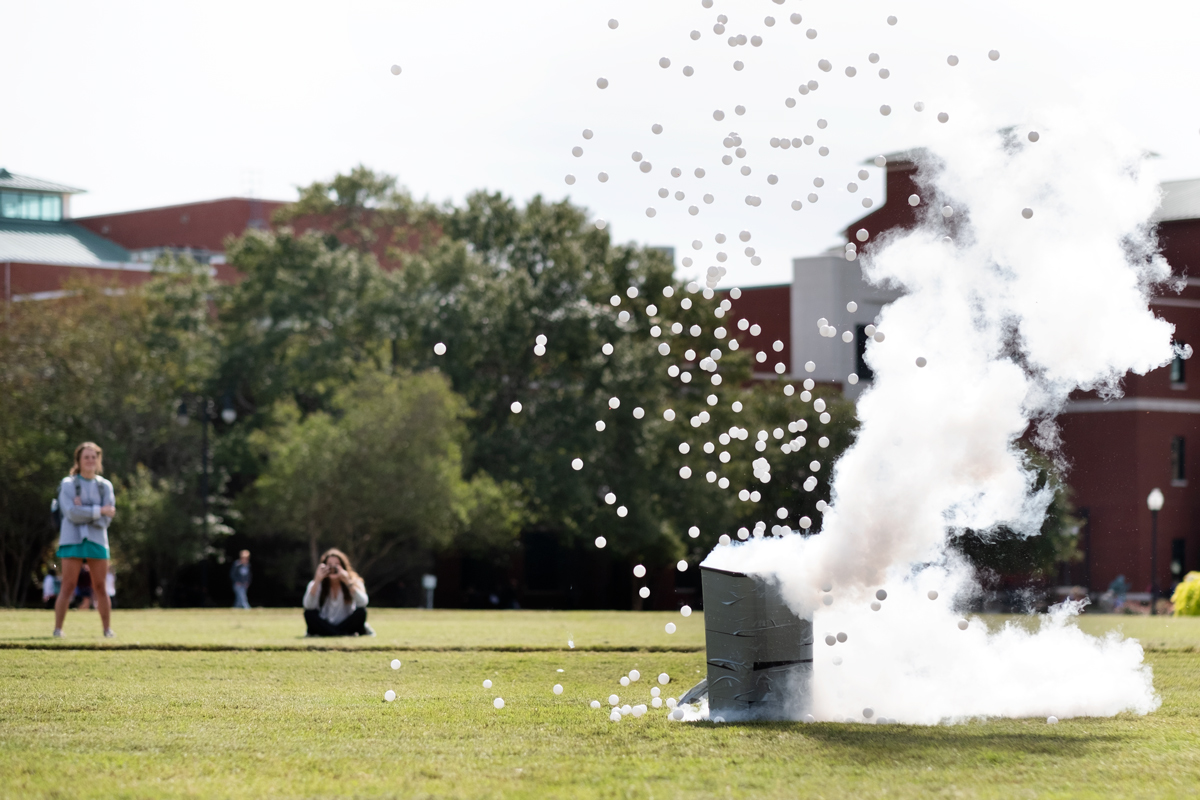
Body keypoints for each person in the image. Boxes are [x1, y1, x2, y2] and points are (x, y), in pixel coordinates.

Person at [53, 442, 116, 638]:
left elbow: (108, 517)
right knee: (68, 585)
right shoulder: (68, 484)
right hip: (72, 539)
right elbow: (71, 513)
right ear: (79, 461)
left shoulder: (105, 485)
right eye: (86, 457)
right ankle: (58, 629)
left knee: (100, 586)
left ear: (98, 460)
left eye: (93, 457)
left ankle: (107, 630)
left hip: (97, 539)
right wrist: (98, 509)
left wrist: (85, 511)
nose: (90, 460)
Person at [302, 548, 374, 637]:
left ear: (343, 566)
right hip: (325, 624)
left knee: (361, 612)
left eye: (337, 564)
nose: (333, 567)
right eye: (329, 565)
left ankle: (332, 633)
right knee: (309, 614)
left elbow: (363, 603)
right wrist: (317, 580)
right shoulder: (316, 584)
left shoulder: (353, 581)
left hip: (346, 624)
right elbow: (308, 606)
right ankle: (340, 634)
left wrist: (348, 582)